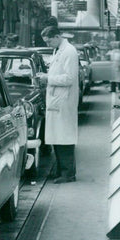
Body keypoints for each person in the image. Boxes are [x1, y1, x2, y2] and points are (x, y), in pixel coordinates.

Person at [36, 25, 80, 183]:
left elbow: (69, 78)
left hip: (64, 101)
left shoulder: (69, 51)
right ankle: (61, 170)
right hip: (57, 100)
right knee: (57, 137)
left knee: (64, 137)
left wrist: (47, 78)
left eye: (49, 41)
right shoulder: (59, 50)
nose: (48, 45)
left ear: (56, 37)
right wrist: (46, 75)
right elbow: (58, 72)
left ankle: (68, 174)